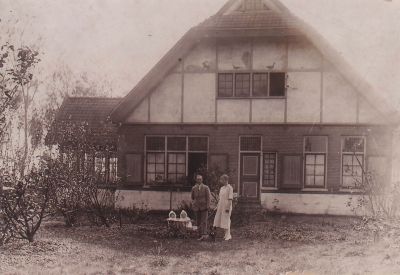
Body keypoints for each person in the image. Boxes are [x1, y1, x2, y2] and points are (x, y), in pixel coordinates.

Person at [213, 174, 233, 241]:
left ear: (226, 180)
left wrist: (227, 208)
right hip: (221, 206)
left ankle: (228, 235)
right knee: (222, 220)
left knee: (227, 220)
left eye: (222, 179)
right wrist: (217, 206)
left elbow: (230, 199)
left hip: (226, 206)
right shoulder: (222, 188)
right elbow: (220, 199)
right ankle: (225, 234)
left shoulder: (230, 188)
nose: (221, 181)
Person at [191, 174, 211, 241]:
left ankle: (204, 234)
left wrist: (208, 206)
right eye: (197, 179)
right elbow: (192, 197)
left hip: (204, 207)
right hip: (197, 207)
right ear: (196, 180)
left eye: (200, 179)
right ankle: (199, 234)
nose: (199, 180)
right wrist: (194, 204)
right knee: (198, 221)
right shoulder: (194, 188)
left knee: (204, 221)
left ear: (202, 180)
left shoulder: (206, 187)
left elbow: (208, 198)